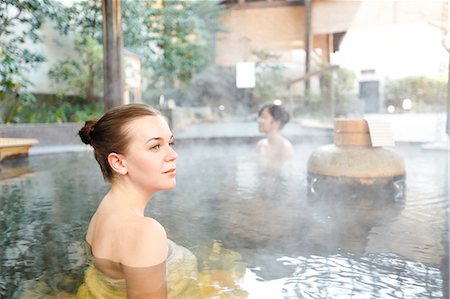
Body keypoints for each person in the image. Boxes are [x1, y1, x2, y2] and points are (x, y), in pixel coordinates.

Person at [76, 104, 179, 298]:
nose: (173, 155)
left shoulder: (103, 213)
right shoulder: (145, 232)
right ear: (119, 163)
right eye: (155, 146)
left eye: (170, 144)